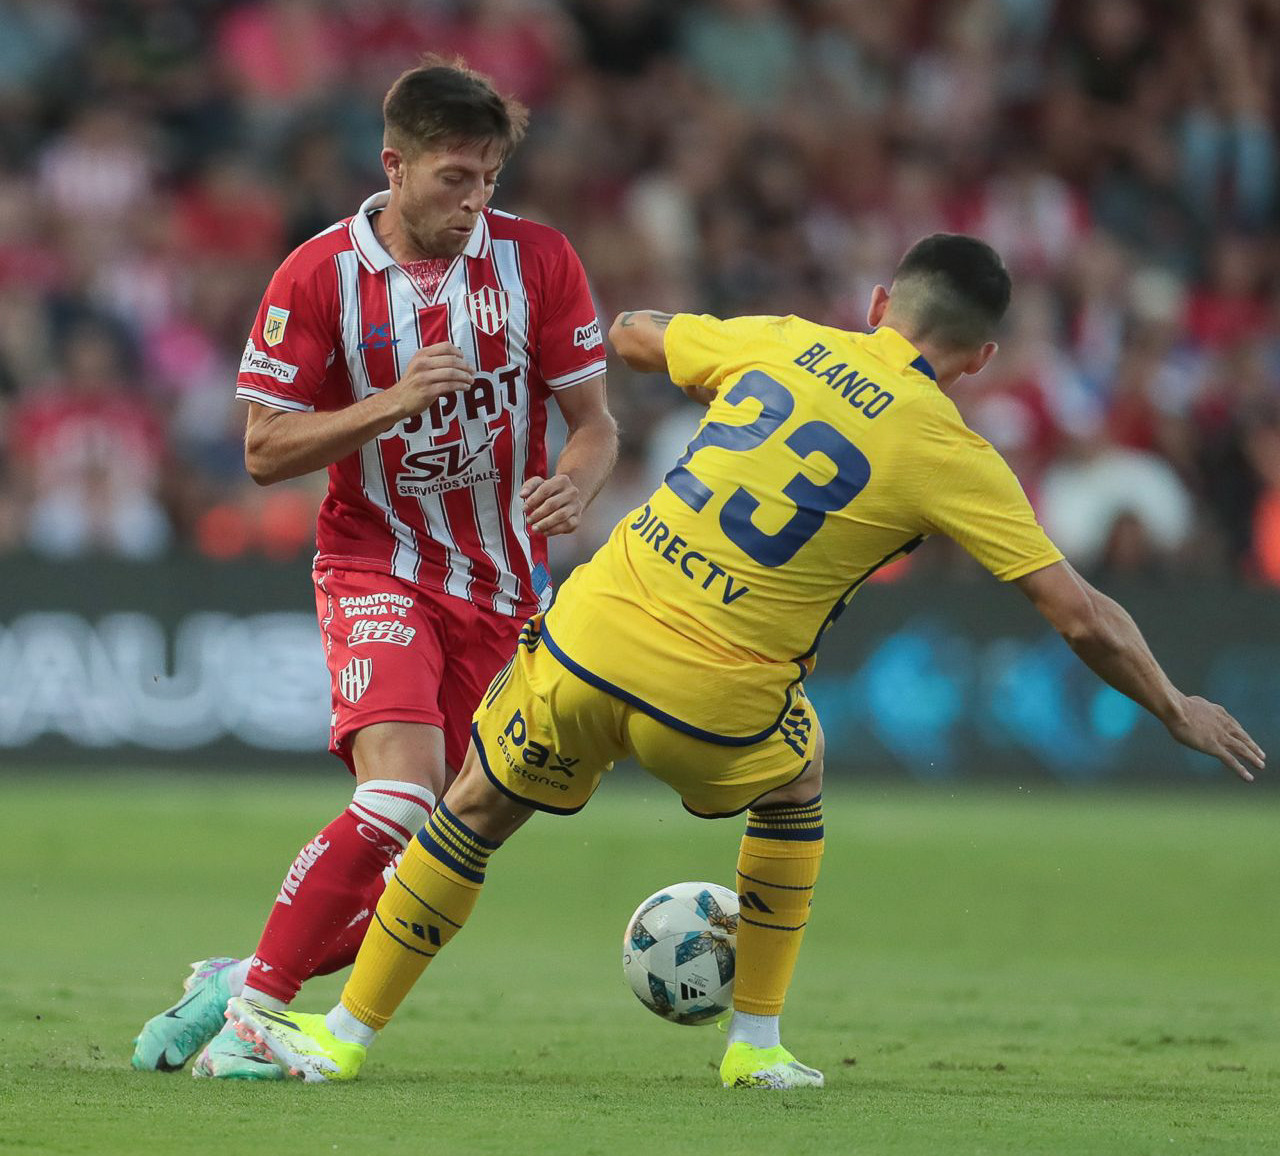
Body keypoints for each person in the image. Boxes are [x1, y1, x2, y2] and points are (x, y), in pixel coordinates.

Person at [225, 234, 1264, 1087]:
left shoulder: (781, 343)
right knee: (797, 776)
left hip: (589, 631)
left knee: (473, 809)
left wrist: (644, 335)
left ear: (875, 304)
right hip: (712, 693)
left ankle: (339, 1038)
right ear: (980, 358)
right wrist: (1170, 705)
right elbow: (1075, 613)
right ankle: (755, 1047)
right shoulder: (947, 450)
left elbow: (631, 337)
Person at [131, 56, 618, 1080]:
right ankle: (260, 1015)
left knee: (441, 865)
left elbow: (594, 425)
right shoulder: (317, 275)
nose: (474, 200)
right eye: (453, 177)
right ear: (392, 165)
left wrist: (572, 482)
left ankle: (240, 975)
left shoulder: (538, 262)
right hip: (376, 563)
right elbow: (263, 451)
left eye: (488, 178)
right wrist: (390, 402)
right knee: (398, 798)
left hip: (506, 594)